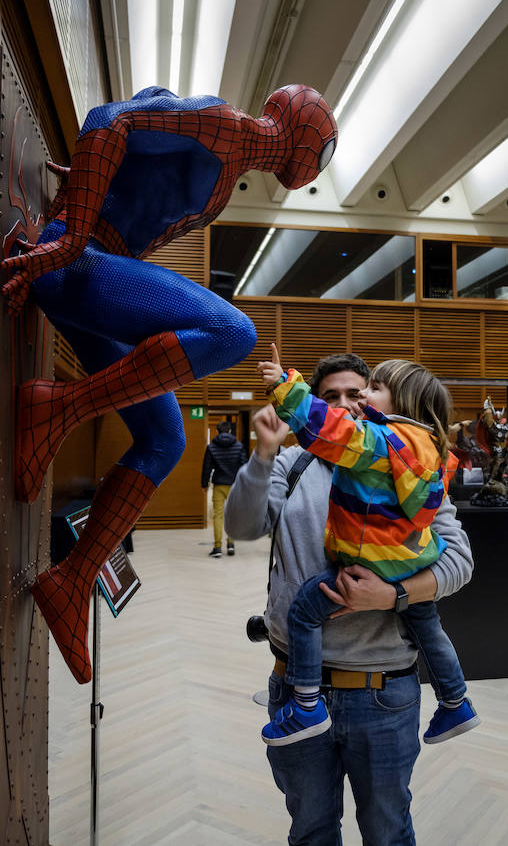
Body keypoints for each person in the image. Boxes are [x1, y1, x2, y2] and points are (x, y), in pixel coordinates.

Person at [0, 83, 337, 684]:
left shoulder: (226, 159)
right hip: (74, 262)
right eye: (322, 150)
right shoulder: (227, 127)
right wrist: (74, 230)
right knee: (234, 330)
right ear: (306, 139)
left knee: (167, 437)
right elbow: (109, 119)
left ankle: (75, 578)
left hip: (87, 276)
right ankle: (59, 410)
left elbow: (122, 147)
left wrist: (87, 185)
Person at [225, 352, 474, 846]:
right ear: (317, 406)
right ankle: (453, 698)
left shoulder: (405, 462)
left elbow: (459, 562)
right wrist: (263, 454)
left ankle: (455, 699)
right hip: (295, 687)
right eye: (330, 396)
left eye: (356, 392)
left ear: (377, 400)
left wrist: (392, 593)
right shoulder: (294, 464)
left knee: (387, 830)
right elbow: (242, 526)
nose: (348, 401)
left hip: (381, 693)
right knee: (311, 830)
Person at [257, 346, 479, 747]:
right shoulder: (429, 447)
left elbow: (327, 429)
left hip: (371, 570)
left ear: (402, 402)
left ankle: (306, 705)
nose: (360, 399)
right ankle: (455, 700)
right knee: (427, 623)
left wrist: (284, 385)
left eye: (372, 388)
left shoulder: (377, 441)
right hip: (409, 561)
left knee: (306, 609)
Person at [202, 421, 247, 557]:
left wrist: (204, 484)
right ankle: (231, 544)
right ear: (229, 432)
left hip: (219, 484)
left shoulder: (211, 447)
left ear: (217, 432)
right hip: (234, 485)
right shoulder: (239, 446)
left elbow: (207, 467)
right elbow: (244, 467)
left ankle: (217, 548)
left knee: (218, 516)